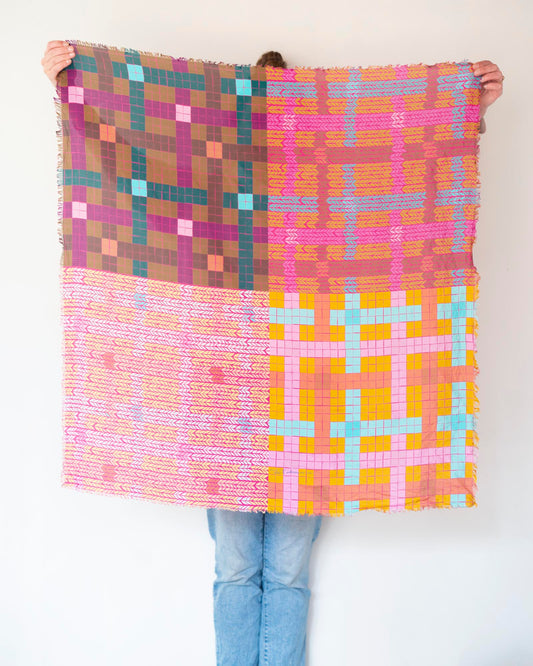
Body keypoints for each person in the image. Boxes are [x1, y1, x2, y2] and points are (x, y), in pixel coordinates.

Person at [41, 41, 504, 665]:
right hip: (227, 408)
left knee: (286, 574)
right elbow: (137, 161)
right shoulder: (210, 180)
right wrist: (73, 84)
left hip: (308, 406)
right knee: (236, 570)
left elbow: (402, 168)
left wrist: (468, 108)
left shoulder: (324, 180)